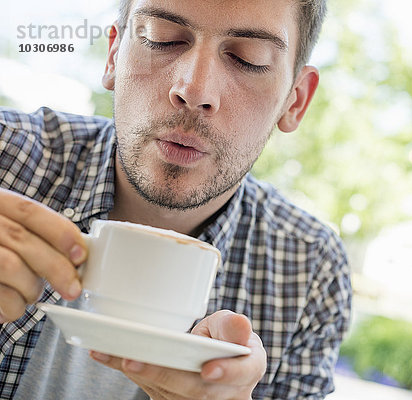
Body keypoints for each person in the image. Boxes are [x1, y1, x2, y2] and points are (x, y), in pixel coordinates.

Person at [0, 0, 352, 399]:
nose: (193, 90)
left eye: (247, 60)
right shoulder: (6, 155)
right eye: (160, 39)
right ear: (114, 55)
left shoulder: (309, 269)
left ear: (295, 100)